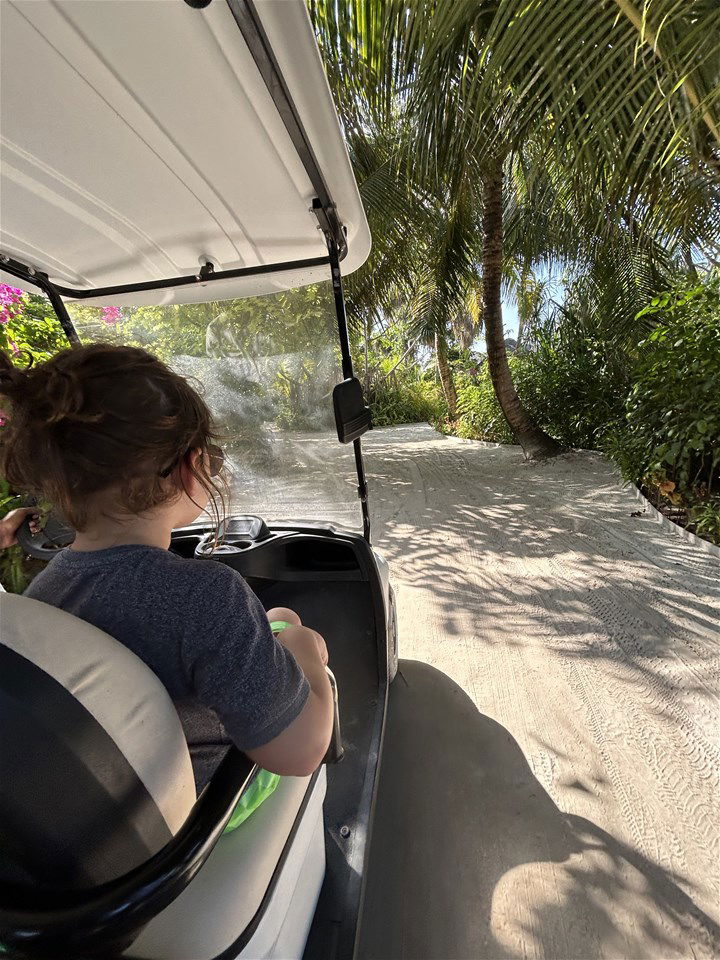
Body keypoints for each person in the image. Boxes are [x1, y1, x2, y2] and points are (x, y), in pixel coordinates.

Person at [0, 344, 333, 800]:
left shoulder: (43, 594)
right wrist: (306, 654)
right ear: (189, 468)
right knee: (293, 626)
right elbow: (301, 753)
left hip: (116, 813)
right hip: (201, 809)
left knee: (278, 618)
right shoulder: (207, 597)